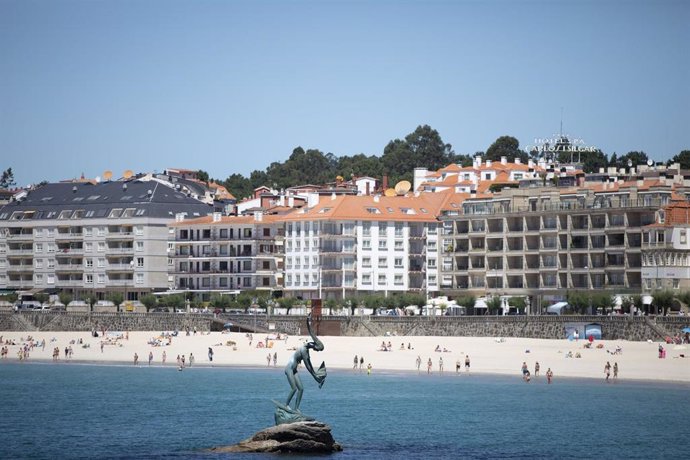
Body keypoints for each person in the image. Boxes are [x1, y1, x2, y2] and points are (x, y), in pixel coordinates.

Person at [284, 316, 326, 411]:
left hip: (294, 370)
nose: (317, 351)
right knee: (294, 388)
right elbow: (308, 367)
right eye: (318, 350)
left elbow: (311, 333)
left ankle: (296, 409)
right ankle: (286, 405)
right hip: (289, 369)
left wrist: (308, 321)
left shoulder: (307, 350)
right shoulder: (304, 350)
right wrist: (315, 376)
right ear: (315, 347)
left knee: (301, 389)